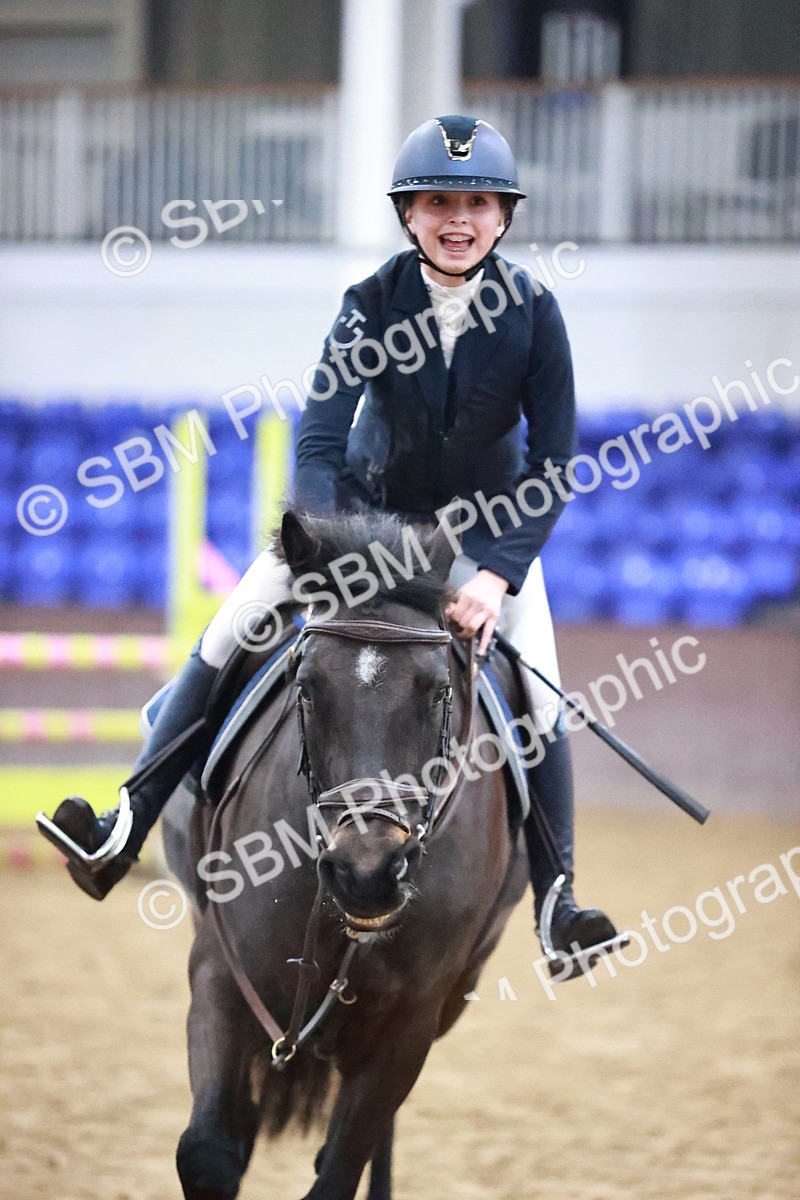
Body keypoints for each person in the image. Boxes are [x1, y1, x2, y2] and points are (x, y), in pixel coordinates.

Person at [38, 114, 623, 977]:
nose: (456, 218)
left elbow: (555, 459)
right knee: (235, 622)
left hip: (478, 544)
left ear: (504, 216)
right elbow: (317, 441)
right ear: (408, 214)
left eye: (476, 202)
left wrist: (498, 576)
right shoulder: (370, 304)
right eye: (436, 201)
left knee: (544, 696)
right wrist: (324, 547)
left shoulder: (536, 313)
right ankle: (126, 822)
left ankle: (557, 901)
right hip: (361, 524)